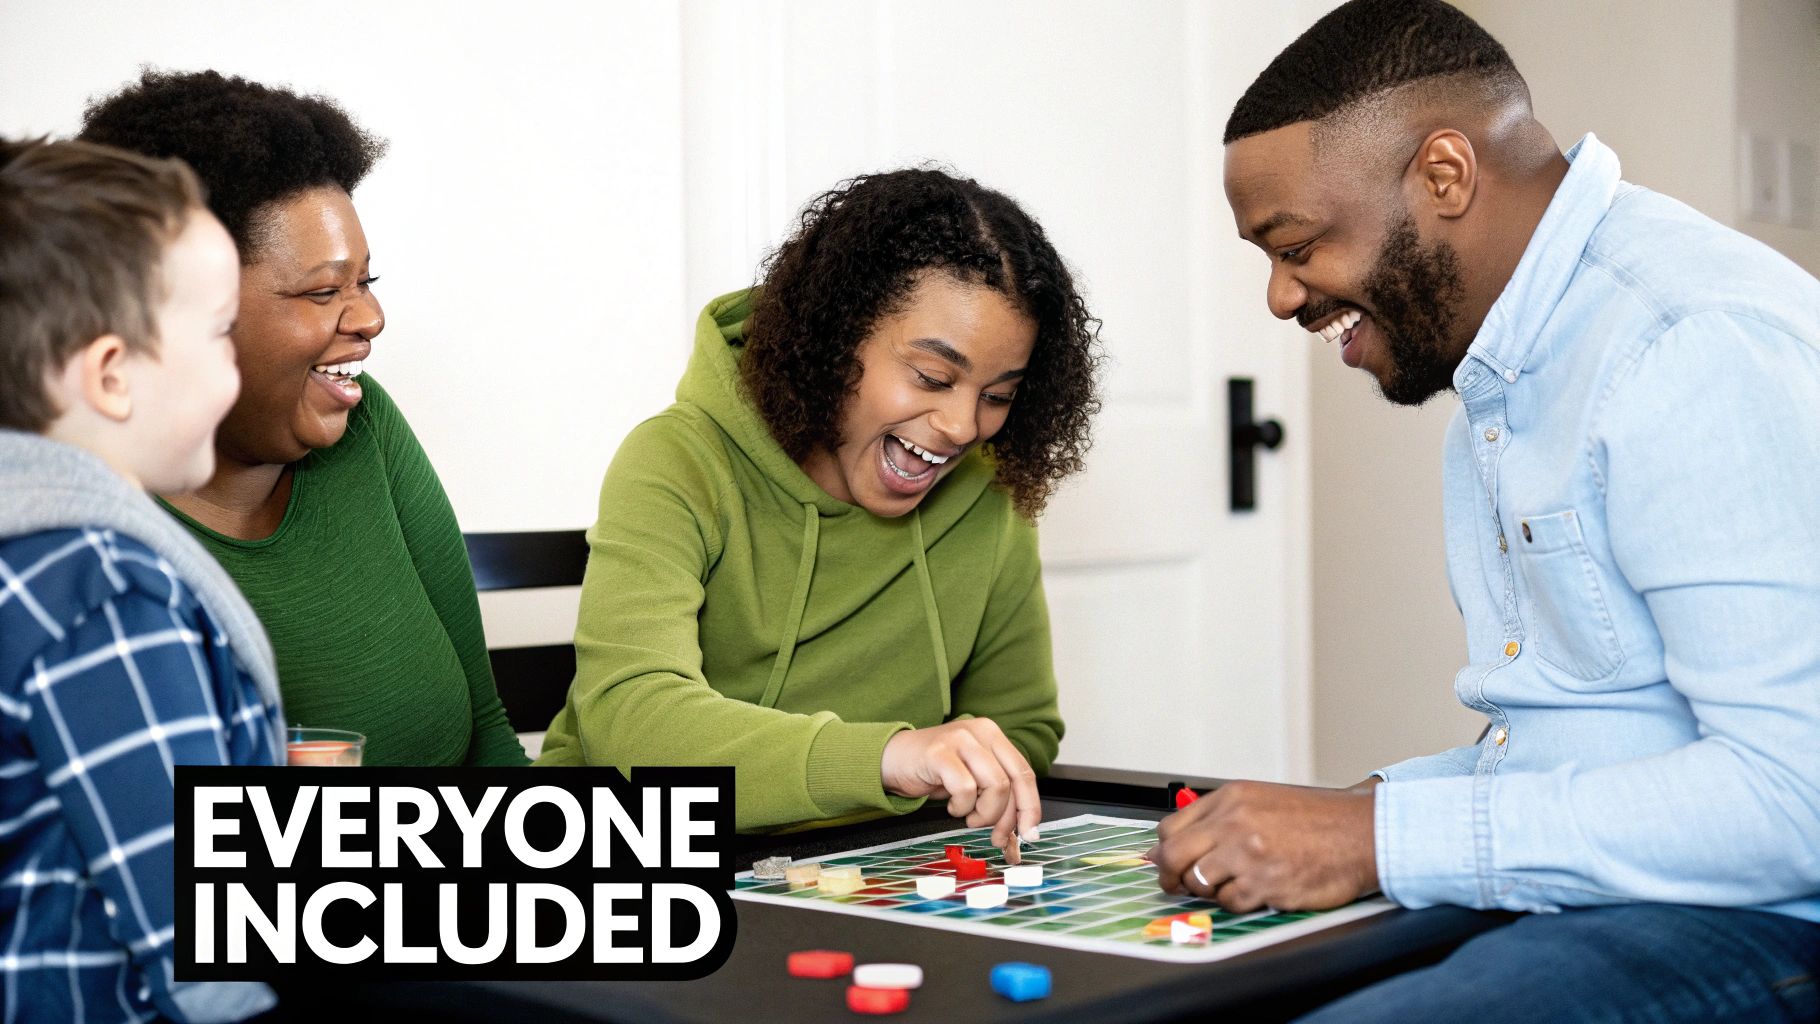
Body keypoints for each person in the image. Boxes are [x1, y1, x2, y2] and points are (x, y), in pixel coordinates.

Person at [1148, 1, 1820, 1019]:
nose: (1281, 299)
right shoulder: (1500, 374)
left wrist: (1375, 840)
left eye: (1293, 245)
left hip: (1769, 914)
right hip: (1624, 897)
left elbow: (1792, 801)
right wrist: (1369, 807)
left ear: (1444, 175)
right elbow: (1593, 742)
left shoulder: (1688, 344)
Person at [537, 168, 1101, 848]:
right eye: (932, 377)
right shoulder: (678, 459)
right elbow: (632, 720)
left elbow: (1021, 727)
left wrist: (961, 769)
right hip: (634, 855)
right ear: (836, 338)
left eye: (999, 394)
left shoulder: (987, 491)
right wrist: (886, 759)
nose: (961, 424)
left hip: (863, 865)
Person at [79, 70, 527, 767]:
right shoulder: (92, 549)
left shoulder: (366, 426)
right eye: (323, 291)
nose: (372, 319)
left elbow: (486, 731)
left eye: (365, 282)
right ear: (179, 308)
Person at [0, 137, 284, 1022]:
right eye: (220, 334)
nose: (236, 367)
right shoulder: (105, 590)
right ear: (113, 375)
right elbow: (203, 939)